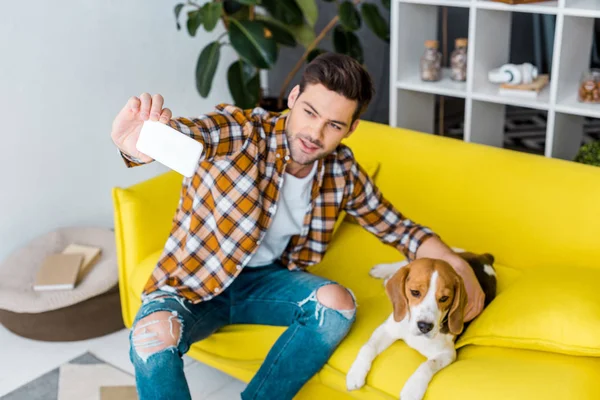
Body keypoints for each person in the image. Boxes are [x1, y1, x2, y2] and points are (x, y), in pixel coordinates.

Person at [111, 53, 484, 400]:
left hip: (266, 284)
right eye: (309, 112)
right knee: (151, 339)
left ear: (350, 129)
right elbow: (196, 133)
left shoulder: (341, 171)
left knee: (337, 305)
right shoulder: (241, 133)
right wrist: (137, 144)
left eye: (333, 125)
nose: (314, 133)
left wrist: (459, 264)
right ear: (292, 97)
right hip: (193, 281)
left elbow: (400, 230)